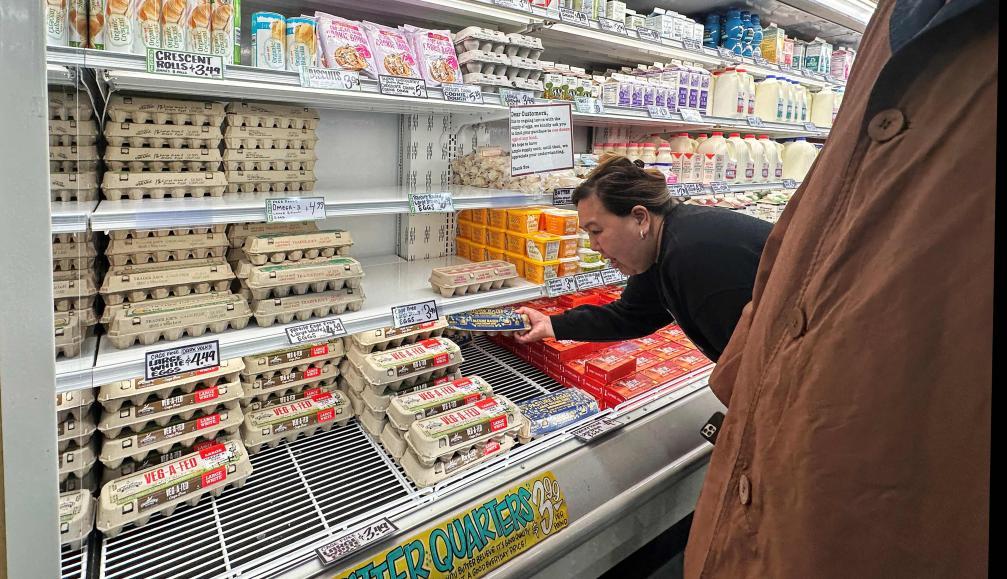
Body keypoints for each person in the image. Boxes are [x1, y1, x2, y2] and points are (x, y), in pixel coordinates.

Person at [683, 1, 993, 577]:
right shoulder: (895, 14)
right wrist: (745, 372)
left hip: (886, 500)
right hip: (769, 471)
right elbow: (807, 220)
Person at [516, 155, 771, 362]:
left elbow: (754, 363)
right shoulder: (660, 245)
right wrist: (550, 324)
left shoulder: (694, 255)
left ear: (640, 218)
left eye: (597, 231)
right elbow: (632, 314)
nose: (594, 246)